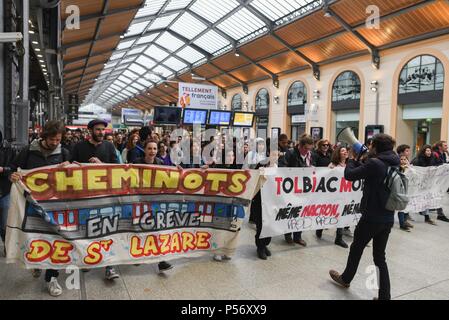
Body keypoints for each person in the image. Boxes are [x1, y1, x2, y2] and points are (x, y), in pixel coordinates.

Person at [329, 133, 399, 300]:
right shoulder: (394, 161)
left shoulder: (375, 163)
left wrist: (352, 159)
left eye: (372, 145)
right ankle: (384, 296)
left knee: (356, 248)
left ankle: (345, 278)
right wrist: (363, 158)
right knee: (380, 257)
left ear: (376, 147)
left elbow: (349, 175)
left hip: (371, 217)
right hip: (388, 216)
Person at [9, 121, 70, 297]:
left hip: (55, 205)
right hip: (32, 206)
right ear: (44, 137)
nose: (55, 143)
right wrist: (13, 175)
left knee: (55, 240)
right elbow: (12, 168)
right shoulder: (28, 151)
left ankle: (51, 278)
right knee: (36, 237)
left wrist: (70, 168)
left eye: (58, 139)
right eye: (52, 139)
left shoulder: (63, 152)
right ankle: (37, 262)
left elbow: (74, 176)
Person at [71, 119, 120, 281]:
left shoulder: (109, 146)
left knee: (108, 229)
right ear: (90, 130)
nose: (101, 132)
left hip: (105, 196)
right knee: (86, 229)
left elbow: (118, 168)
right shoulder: (79, 147)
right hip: (84, 196)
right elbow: (70, 167)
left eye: (103, 130)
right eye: (98, 130)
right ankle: (87, 259)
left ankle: (109, 266)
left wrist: (101, 164)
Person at [132, 140, 173, 273]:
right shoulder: (136, 163)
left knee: (156, 231)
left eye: (155, 148)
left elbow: (169, 177)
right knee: (138, 230)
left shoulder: (160, 163)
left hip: (155, 202)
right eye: (149, 148)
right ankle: (136, 256)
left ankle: (160, 261)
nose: (152, 151)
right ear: (145, 150)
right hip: (139, 201)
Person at [282, 133, 316, 247]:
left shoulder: (310, 155)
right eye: (306, 148)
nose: (307, 151)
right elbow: (283, 168)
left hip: (303, 189)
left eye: (309, 149)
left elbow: (315, 166)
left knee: (301, 212)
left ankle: (297, 236)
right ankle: (287, 234)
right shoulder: (291, 153)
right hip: (291, 189)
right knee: (291, 211)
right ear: (300, 146)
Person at [316, 146, 348, 248]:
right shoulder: (332, 165)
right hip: (333, 195)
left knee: (341, 215)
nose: (345, 152)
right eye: (342, 150)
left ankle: (339, 238)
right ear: (338, 153)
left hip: (344, 194)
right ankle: (320, 228)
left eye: (346, 151)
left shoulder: (348, 165)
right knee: (328, 213)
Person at [411, 145, 439, 225]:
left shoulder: (432, 159)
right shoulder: (417, 160)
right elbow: (414, 171)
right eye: (427, 150)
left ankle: (427, 217)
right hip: (417, 184)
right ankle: (406, 215)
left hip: (426, 184)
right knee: (413, 199)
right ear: (423, 151)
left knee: (426, 200)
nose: (429, 152)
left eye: (430, 150)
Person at [0, 130, 16, 252]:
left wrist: (3, 169)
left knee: (4, 223)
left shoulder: (9, 149)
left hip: (4, 190)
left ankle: (6, 244)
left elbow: (14, 167)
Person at [396, 144, 414, 231]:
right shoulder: (396, 166)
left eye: (404, 160)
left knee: (403, 205)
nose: (403, 161)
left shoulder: (408, 163)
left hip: (405, 188)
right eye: (401, 159)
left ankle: (403, 223)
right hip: (397, 188)